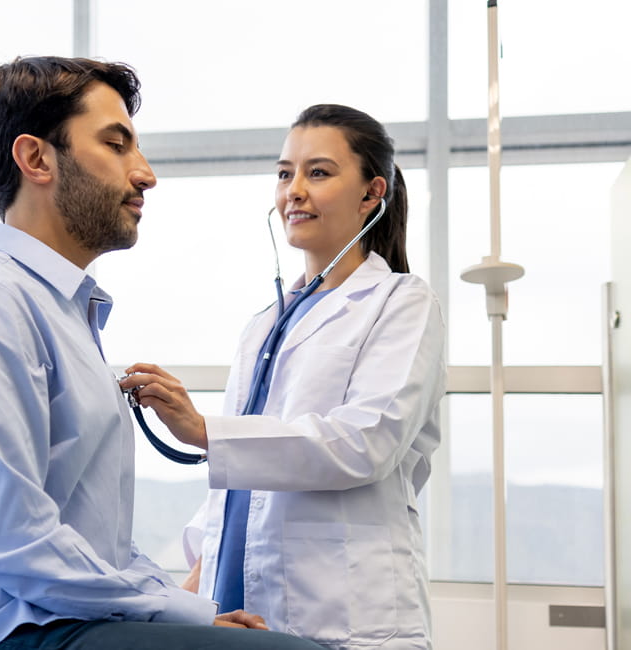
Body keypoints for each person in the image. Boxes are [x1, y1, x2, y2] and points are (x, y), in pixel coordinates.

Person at [0, 56, 326, 650]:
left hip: (54, 622)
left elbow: (95, 547)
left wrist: (186, 610)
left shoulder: (63, 315)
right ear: (36, 159)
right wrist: (171, 610)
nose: (145, 174)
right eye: (116, 145)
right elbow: (8, 539)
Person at [120, 104, 447, 649]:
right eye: (283, 173)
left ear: (371, 194)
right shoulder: (263, 326)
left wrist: (205, 431)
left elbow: (367, 441)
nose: (293, 190)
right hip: (246, 609)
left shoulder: (402, 303)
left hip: (348, 616)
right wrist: (188, 601)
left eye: (317, 172)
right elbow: (239, 489)